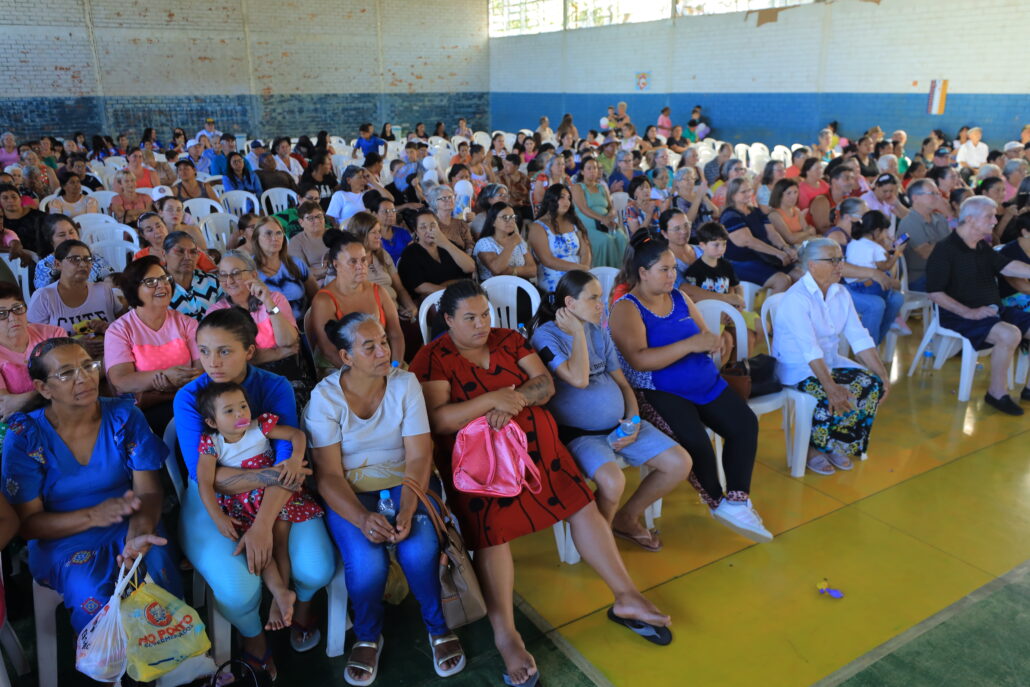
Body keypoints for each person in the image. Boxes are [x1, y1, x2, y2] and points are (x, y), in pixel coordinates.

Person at [412, 280, 672, 686]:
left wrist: (512, 399)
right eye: (470, 318)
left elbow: (545, 385)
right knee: (491, 532)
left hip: (539, 447)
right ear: (448, 320)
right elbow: (440, 419)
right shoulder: (433, 357)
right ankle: (507, 635)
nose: (481, 324)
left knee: (581, 504)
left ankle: (627, 597)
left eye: (485, 314)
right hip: (480, 464)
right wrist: (491, 401)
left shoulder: (509, 339)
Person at [305, 313, 466, 684]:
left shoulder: (404, 384)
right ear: (345, 357)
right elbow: (328, 476)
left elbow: (419, 456)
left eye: (383, 342)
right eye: (370, 347)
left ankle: (437, 627)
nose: (383, 351)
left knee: (418, 548)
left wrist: (408, 507)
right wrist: (362, 518)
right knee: (367, 562)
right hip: (351, 493)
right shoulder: (325, 398)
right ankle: (367, 635)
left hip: (407, 482)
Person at [175, 309, 335, 678]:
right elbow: (209, 478)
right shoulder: (190, 398)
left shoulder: (274, 387)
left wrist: (263, 524)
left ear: (249, 351)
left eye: (224, 351)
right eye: (204, 351)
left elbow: (289, 456)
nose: (212, 362)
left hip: (276, 494)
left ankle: (302, 605)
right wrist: (271, 475)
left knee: (317, 568)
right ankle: (254, 638)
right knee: (238, 589)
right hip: (217, 500)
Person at [2, 337, 182, 634]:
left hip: (131, 521)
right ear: (43, 388)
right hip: (63, 537)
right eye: (66, 373)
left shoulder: (124, 416)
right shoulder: (26, 436)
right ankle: (105, 660)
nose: (83, 377)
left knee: (155, 574)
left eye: (88, 366)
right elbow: (29, 524)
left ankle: (164, 657)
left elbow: (149, 491)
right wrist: (93, 516)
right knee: (94, 593)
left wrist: (139, 533)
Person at [608, 234, 771, 542]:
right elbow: (639, 360)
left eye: (673, 269)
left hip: (703, 382)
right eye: (664, 270)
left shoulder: (681, 298)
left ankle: (737, 501)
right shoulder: (626, 308)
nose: (672, 275)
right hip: (659, 391)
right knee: (697, 443)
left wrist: (715, 342)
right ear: (643, 272)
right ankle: (718, 502)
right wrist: (691, 344)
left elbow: (704, 334)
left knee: (744, 424)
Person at [531, 271, 690, 550]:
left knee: (679, 463)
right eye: (593, 298)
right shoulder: (546, 336)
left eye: (601, 298)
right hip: (581, 434)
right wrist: (577, 332)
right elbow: (579, 379)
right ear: (569, 303)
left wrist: (633, 419)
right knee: (613, 482)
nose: (601, 305)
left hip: (619, 425)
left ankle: (626, 519)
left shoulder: (597, 331)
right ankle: (599, 543)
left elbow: (622, 382)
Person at [195, 381, 320, 630]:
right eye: (229, 411)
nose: (240, 414)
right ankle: (280, 593)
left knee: (279, 539)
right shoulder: (212, 444)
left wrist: (295, 460)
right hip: (242, 504)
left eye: (243, 406)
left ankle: (280, 596)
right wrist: (218, 517)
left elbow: (297, 435)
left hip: (275, 494)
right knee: (259, 549)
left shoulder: (260, 427)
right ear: (212, 422)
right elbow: (205, 483)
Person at [772, 238, 889, 474]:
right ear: (812, 265)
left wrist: (883, 375)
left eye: (840, 259)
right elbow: (809, 349)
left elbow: (859, 337)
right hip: (797, 367)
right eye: (832, 260)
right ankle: (812, 448)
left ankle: (836, 442)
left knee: (871, 384)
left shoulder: (840, 292)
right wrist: (830, 386)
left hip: (828, 361)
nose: (840, 265)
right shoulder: (797, 298)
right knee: (826, 393)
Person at [926, 197, 1030, 415]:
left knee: (1012, 330)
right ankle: (996, 393)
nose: (995, 221)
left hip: (991, 309)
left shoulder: (981, 246)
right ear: (970, 219)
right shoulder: (945, 250)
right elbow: (935, 293)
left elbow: (1008, 267)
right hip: (959, 314)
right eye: (989, 216)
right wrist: (968, 312)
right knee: (1009, 334)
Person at [104, 257, 202, 431]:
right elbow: (121, 381)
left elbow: (201, 369)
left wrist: (173, 385)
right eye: (151, 282)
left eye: (164, 279)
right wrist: (165, 377)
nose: (162, 285)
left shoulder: (186, 323)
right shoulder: (119, 330)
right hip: (144, 409)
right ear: (134, 289)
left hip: (187, 397)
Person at [307, 230, 404, 378]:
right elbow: (329, 351)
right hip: (340, 367)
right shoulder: (324, 300)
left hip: (379, 363)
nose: (361, 266)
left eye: (363, 260)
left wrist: (395, 367)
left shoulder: (378, 291)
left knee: (408, 383)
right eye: (353, 261)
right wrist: (365, 376)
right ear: (336, 264)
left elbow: (396, 335)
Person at [209, 251, 301, 375]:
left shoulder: (275, 299)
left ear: (253, 275)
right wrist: (277, 353)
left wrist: (268, 301)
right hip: (241, 376)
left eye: (236, 273)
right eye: (223, 275)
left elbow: (289, 341)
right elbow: (230, 359)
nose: (229, 281)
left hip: (285, 371)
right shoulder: (217, 312)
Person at [27, 240, 119, 344]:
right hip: (64, 354)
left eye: (88, 259)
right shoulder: (43, 297)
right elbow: (33, 341)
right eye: (75, 259)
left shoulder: (103, 290)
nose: (83, 264)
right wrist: (73, 344)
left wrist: (107, 328)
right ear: (58, 264)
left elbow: (123, 327)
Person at [0, 282, 65, 419]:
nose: (13, 318)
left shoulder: (53, 334)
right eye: (1, 314)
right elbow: (4, 406)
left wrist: (24, 399)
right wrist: (55, 390)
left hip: (65, 411)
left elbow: (70, 379)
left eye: (17, 308)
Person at [720, 178, 795, 293]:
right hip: (740, 262)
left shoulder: (756, 211)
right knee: (782, 280)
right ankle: (770, 305)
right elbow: (749, 241)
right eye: (743, 192)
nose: (748, 194)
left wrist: (785, 248)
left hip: (763, 256)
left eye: (749, 190)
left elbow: (772, 234)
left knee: (799, 275)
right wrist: (778, 253)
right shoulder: (730, 215)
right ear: (733, 196)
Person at [844, 211, 904, 345]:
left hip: (855, 285)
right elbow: (885, 267)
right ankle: (870, 345)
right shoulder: (875, 247)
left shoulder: (854, 242)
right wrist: (897, 253)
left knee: (897, 298)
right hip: (869, 286)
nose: (886, 235)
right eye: (885, 231)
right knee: (885, 296)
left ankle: (873, 344)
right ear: (877, 231)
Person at [397, 209, 476, 301]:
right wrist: (452, 292)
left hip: (462, 295)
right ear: (416, 231)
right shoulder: (410, 253)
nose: (429, 230)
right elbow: (420, 287)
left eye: (433, 225)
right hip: (435, 300)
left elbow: (470, 267)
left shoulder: (449, 244)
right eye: (423, 227)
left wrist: (446, 244)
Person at [528, 184, 593, 293]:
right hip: (553, 280)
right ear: (551, 199)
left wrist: (583, 271)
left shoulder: (574, 222)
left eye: (569, 198)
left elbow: (585, 252)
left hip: (578, 276)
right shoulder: (537, 227)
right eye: (562, 197)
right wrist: (579, 268)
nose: (566, 201)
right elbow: (547, 260)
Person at [251, 217, 318, 321]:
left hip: (302, 324)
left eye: (279, 233)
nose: (275, 238)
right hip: (267, 327)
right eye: (268, 234)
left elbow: (315, 295)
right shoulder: (249, 268)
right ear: (257, 239)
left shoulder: (296, 263)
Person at [33, 213, 113, 289]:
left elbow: (113, 281)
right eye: (62, 235)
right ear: (50, 240)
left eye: (71, 232)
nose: (70, 238)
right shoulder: (45, 266)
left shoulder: (92, 256)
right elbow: (46, 296)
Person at [899, 179, 950, 292]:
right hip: (922, 276)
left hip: (943, 271)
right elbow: (926, 253)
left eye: (938, 193)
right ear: (915, 198)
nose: (938, 197)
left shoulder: (939, 218)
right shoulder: (909, 221)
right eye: (932, 193)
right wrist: (949, 214)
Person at [473, 202, 537, 282]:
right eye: (505, 217)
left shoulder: (518, 240)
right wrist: (512, 244)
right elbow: (497, 270)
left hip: (520, 285)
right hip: (495, 287)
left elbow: (533, 271)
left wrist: (510, 271)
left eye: (513, 217)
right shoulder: (484, 243)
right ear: (493, 221)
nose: (511, 221)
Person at [134, 212, 218, 272]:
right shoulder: (140, 257)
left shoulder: (188, 246)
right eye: (150, 230)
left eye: (158, 226)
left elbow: (212, 270)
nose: (157, 231)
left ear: (165, 225)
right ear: (143, 236)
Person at [165, 231, 221, 320]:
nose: (188, 257)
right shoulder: (157, 287)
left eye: (193, 252)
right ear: (164, 254)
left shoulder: (212, 282)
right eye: (180, 251)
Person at [287, 200, 330, 284]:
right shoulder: (296, 242)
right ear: (301, 222)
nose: (317, 221)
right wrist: (327, 271)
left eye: (319, 216)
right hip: (315, 283)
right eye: (310, 218)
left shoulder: (334, 234)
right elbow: (302, 272)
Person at [426, 184, 474, 254]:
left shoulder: (461, 223)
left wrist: (467, 256)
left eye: (451, 197)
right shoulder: (431, 225)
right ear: (434, 202)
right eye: (444, 198)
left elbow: (469, 244)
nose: (449, 200)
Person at [768, 178, 816, 245]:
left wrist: (806, 233)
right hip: (789, 249)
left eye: (795, 192)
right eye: (788, 193)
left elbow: (810, 231)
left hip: (803, 244)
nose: (793, 196)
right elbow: (790, 239)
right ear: (779, 195)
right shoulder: (774, 215)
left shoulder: (796, 210)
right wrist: (807, 233)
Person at [368, 196, 411, 266]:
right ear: (374, 214)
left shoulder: (402, 232)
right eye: (386, 211)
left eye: (393, 211)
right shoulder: (371, 238)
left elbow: (414, 254)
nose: (391, 214)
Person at [1, 183, 44, 252]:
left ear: (20, 199)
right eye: (5, 198)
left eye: (14, 197)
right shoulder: (1, 220)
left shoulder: (38, 216)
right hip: (11, 256)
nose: (10, 200)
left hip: (40, 255)